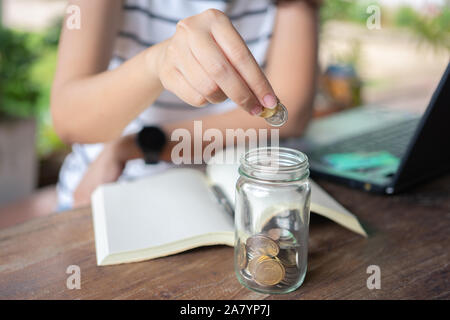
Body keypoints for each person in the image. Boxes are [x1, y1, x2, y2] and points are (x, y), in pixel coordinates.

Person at [51, 0, 319, 210]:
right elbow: (69, 121)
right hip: (114, 191)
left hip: (245, 193)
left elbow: (291, 113)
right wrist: (156, 63)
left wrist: (138, 145)